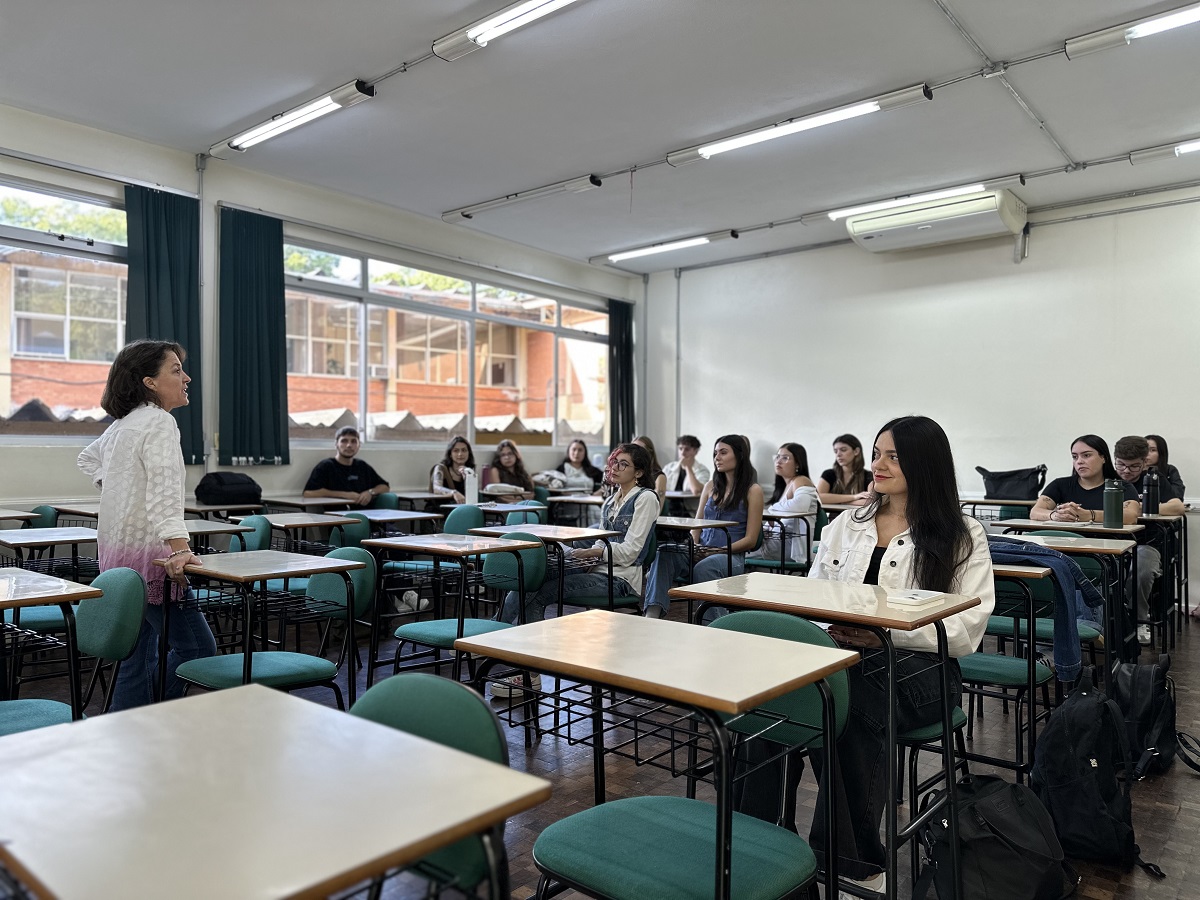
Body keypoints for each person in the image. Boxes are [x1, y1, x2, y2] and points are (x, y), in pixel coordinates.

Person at [805, 416, 994, 892]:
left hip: (925, 671)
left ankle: (856, 868)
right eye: (876, 454)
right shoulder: (848, 523)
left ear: (924, 464)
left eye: (894, 456)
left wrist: (884, 636)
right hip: (844, 657)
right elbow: (812, 592)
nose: (879, 464)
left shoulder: (962, 533)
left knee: (845, 702)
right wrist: (827, 630)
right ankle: (756, 847)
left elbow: (966, 629)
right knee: (775, 695)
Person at [77, 340, 217, 709]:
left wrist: (119, 486)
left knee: (134, 658)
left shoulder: (123, 424)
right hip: (152, 560)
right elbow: (163, 492)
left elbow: (87, 459)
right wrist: (180, 549)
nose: (186, 378)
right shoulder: (158, 421)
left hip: (118, 560)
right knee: (198, 649)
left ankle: (128, 725)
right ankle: (153, 714)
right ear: (149, 382)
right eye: (176, 370)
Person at [642, 434, 764, 618]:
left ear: (739, 455)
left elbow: (751, 540)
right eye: (715, 453)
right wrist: (695, 546)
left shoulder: (753, 490)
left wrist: (718, 551)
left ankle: (713, 624)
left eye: (723, 453)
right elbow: (697, 525)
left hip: (730, 556)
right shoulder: (710, 486)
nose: (717, 458)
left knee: (704, 568)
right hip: (701, 550)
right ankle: (652, 615)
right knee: (664, 552)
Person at [1114, 435, 1184, 644]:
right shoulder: (1108, 478)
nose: (1126, 471)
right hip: (1112, 542)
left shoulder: (1154, 478)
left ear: (1144, 462)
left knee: (1142, 569)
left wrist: (1142, 507)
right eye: (1121, 465)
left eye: (1134, 466)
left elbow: (1177, 506)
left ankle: (1138, 620)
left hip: (1146, 543)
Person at [1030, 435, 1139, 526]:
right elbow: (1035, 512)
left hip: (1107, 542)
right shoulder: (1060, 484)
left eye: (1086, 455)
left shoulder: (1121, 487)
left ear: (1103, 458)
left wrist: (1089, 515)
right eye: (1075, 457)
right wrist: (1055, 515)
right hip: (1068, 541)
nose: (1079, 461)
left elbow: (1131, 516)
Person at [746, 442, 819, 564]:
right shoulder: (786, 485)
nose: (778, 461)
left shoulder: (801, 480)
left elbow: (801, 505)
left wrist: (773, 509)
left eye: (785, 458)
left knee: (738, 551)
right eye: (777, 457)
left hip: (789, 547)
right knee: (739, 547)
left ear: (798, 463)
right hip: (778, 541)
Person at [303, 425, 389, 506]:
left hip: (365, 512)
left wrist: (370, 492)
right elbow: (308, 493)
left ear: (359, 445)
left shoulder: (362, 466)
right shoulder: (326, 466)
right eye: (344, 441)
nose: (349, 445)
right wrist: (344, 495)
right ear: (336, 444)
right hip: (337, 514)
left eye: (353, 441)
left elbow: (385, 487)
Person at [817, 434, 874, 506]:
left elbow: (872, 500)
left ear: (856, 451)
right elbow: (818, 497)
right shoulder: (828, 474)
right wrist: (854, 497)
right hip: (832, 514)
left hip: (856, 513)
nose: (838, 454)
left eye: (843, 450)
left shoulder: (868, 475)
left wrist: (840, 501)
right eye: (835, 451)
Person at [661, 434, 711, 515]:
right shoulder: (669, 467)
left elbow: (696, 490)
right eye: (680, 449)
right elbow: (660, 487)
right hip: (669, 510)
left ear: (695, 451)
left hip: (690, 512)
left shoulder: (702, 470)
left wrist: (688, 468)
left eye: (687, 449)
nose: (683, 453)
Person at [429, 435, 474, 503]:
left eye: (464, 450)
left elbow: (473, 496)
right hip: (439, 507)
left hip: (460, 507)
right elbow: (436, 488)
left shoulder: (469, 471)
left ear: (469, 453)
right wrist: (453, 492)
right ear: (450, 454)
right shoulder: (441, 468)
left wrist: (468, 479)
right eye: (456, 451)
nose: (460, 454)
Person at [1145, 434, 1186, 498]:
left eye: (1153, 450)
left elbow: (1177, 495)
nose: (1147, 454)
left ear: (1161, 452)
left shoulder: (1170, 470)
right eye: (1144, 450)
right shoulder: (1133, 471)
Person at [632, 435, 668, 501]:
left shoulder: (659, 477)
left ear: (649, 452)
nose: (635, 453)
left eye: (640, 449)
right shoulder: (629, 473)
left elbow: (658, 505)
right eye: (633, 449)